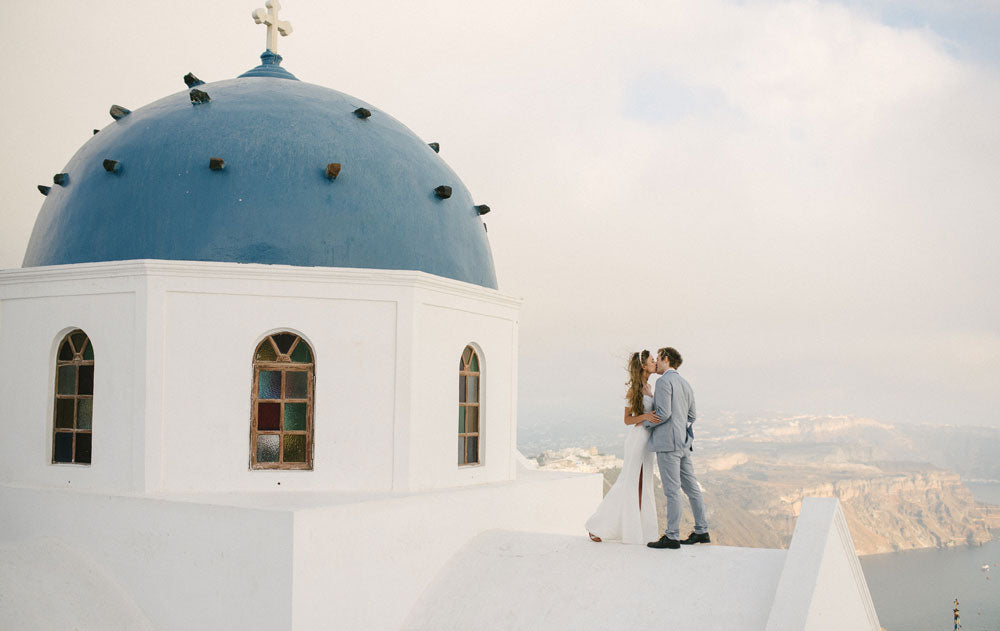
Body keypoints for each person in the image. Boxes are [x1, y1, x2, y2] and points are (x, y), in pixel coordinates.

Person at [585, 350, 661, 544]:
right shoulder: (634, 389)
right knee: (629, 481)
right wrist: (645, 417)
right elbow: (627, 420)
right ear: (644, 366)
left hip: (648, 440)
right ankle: (599, 525)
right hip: (637, 439)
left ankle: (640, 529)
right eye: (653, 360)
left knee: (644, 483)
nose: (655, 363)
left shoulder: (650, 386)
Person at [644, 347, 711, 549]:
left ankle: (672, 536)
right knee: (692, 489)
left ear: (666, 359)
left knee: (672, 491)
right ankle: (702, 530)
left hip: (668, 443)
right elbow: (692, 417)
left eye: (657, 358)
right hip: (683, 443)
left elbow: (663, 413)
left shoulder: (663, 381)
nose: (656, 362)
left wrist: (646, 423)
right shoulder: (685, 383)